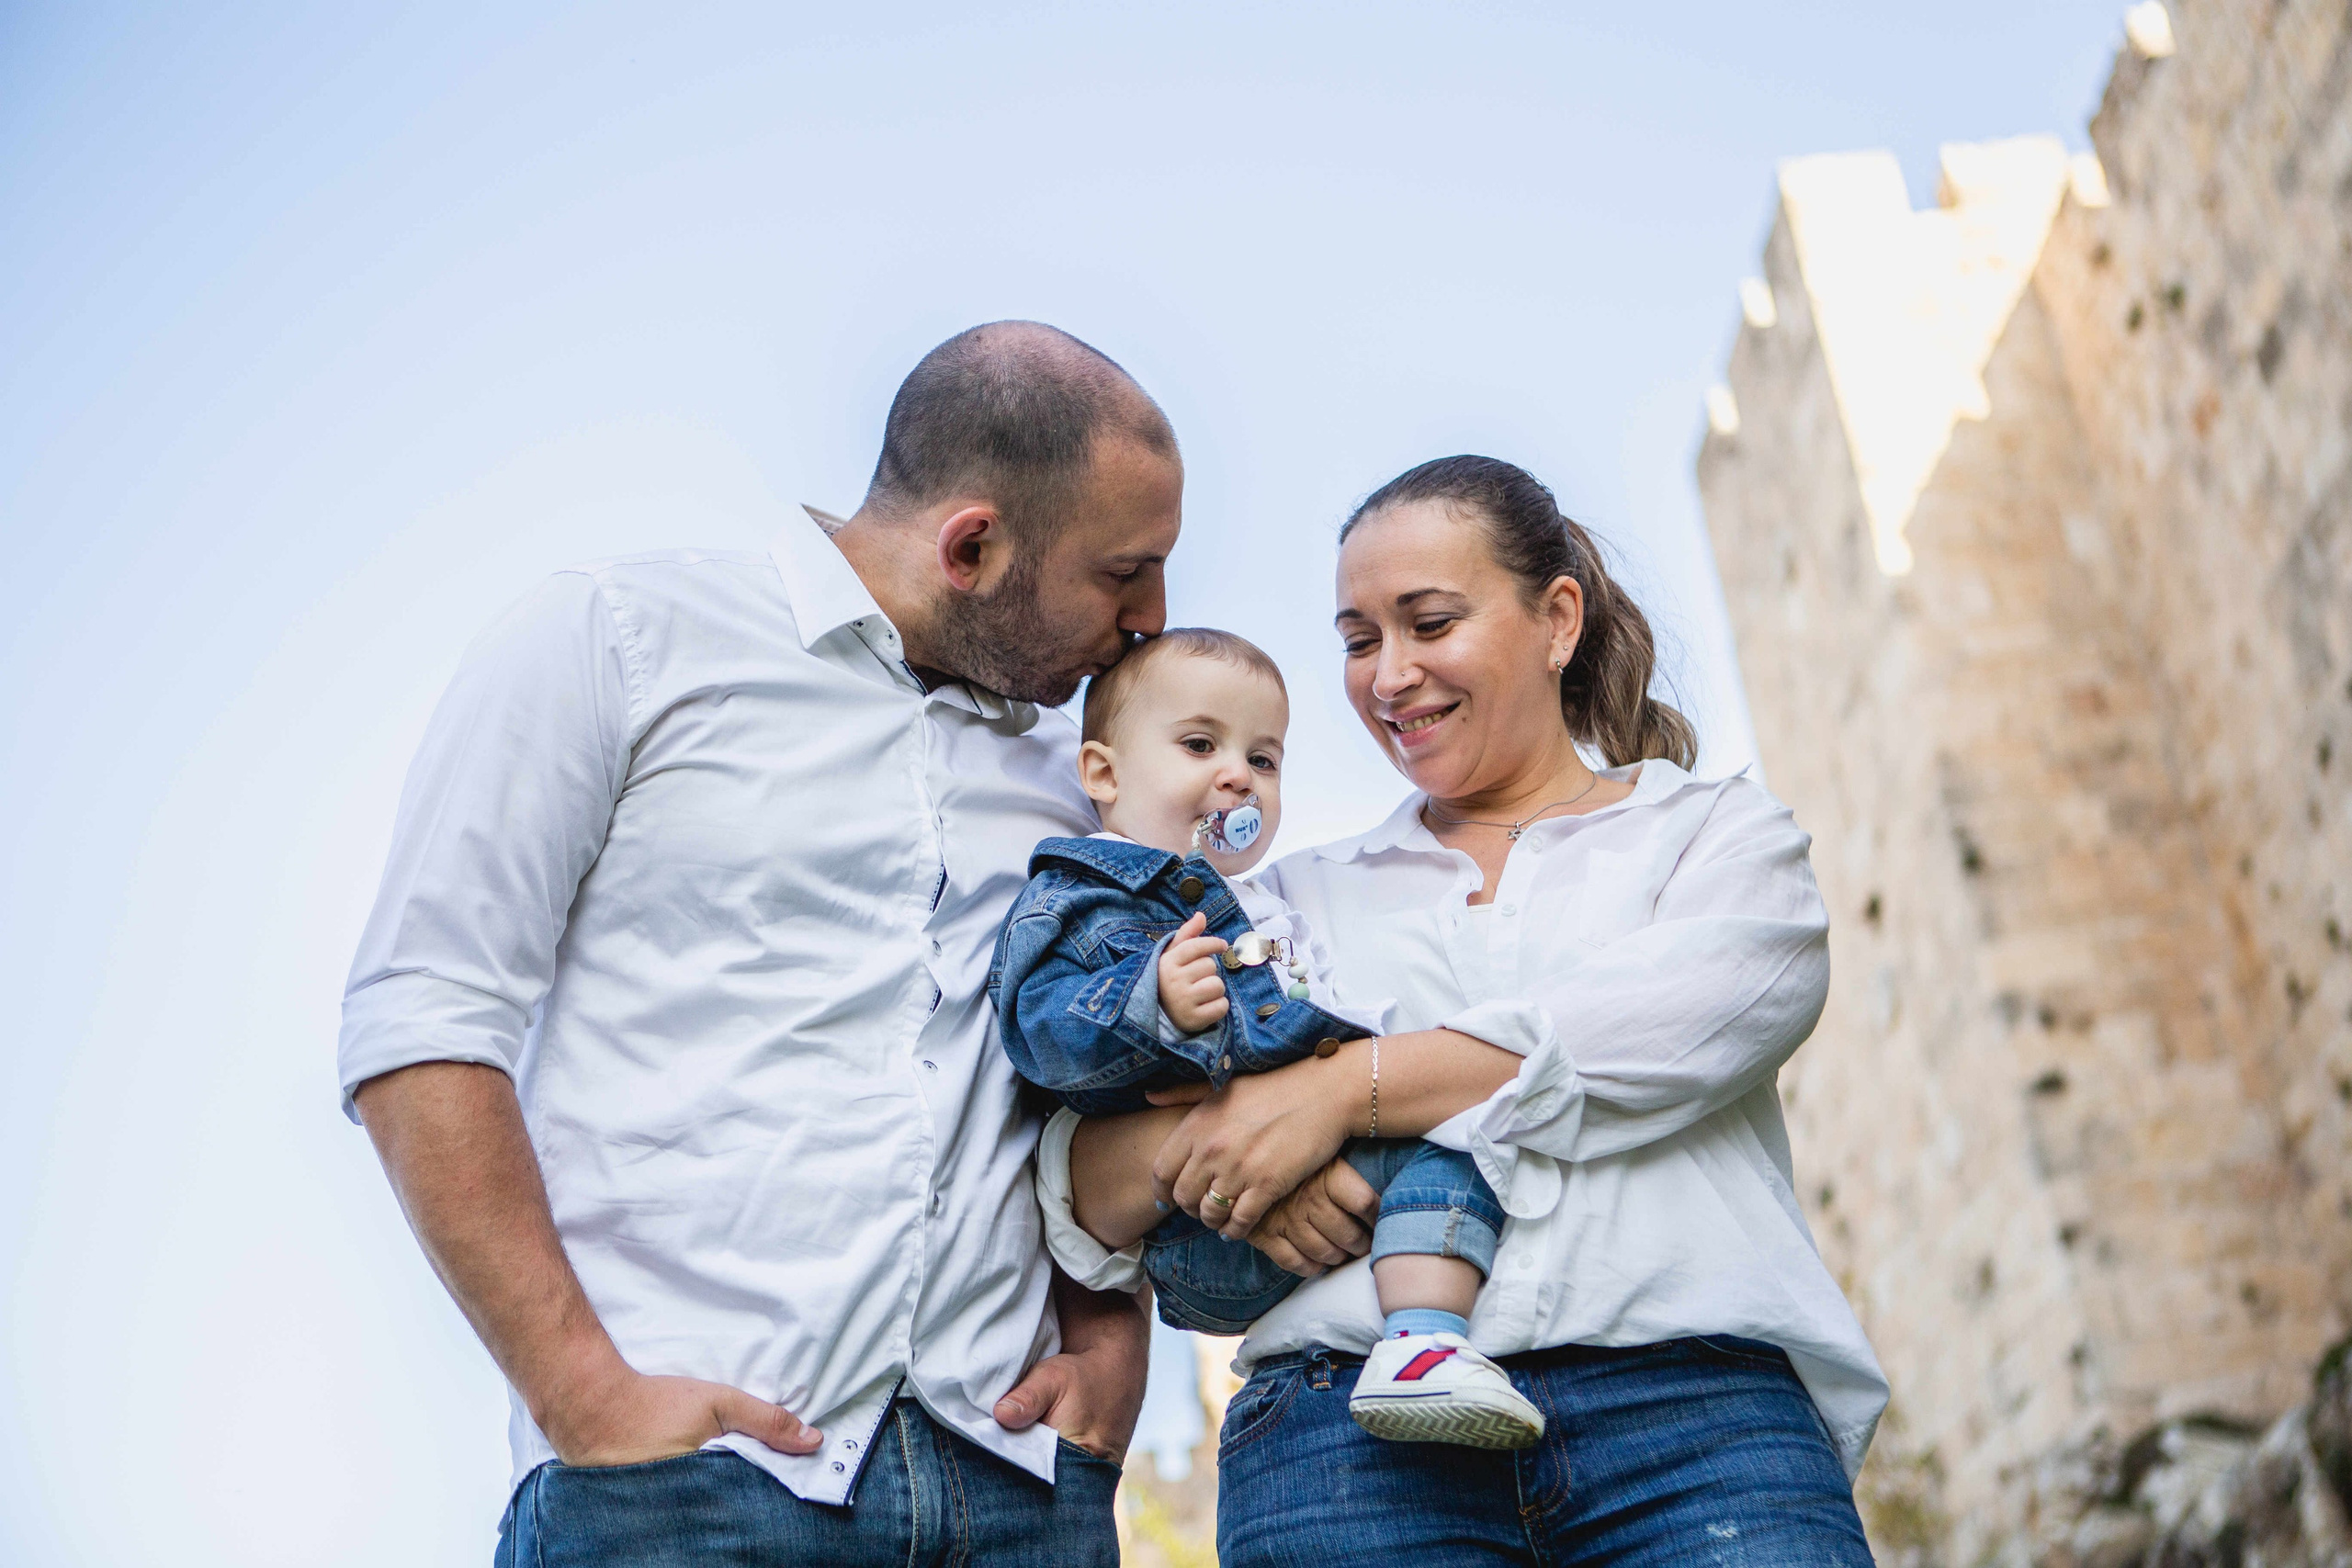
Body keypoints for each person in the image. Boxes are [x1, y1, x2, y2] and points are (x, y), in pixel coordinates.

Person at [336, 321, 1181, 1566]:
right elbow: (421, 1021)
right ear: (974, 545)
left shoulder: (1086, 779)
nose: (1152, 621)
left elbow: (1101, 1065)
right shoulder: (618, 640)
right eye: (1124, 572)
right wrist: (585, 1395)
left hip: (1019, 1494)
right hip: (687, 1491)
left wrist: (1113, 1339)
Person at [1057, 455, 1889, 1565]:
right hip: (1340, 1443)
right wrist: (1248, 1150)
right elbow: (1085, 1183)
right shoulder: (1288, 899)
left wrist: (1334, 1092)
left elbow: (1654, 1030)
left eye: (1428, 622)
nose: (1389, 675)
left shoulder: (1714, 838)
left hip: (1696, 1425)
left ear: (1556, 620)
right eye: (1359, 641)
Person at [993, 627, 1544, 1448]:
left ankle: (1423, 1342)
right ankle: (1424, 1340)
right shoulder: (1080, 897)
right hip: (1199, 1236)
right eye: (1199, 743)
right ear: (1104, 772)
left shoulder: (1261, 907)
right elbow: (1036, 1029)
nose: (1237, 775)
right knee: (1448, 1143)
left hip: (1293, 1199)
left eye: (1264, 759)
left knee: (1439, 1131)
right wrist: (1148, 1000)